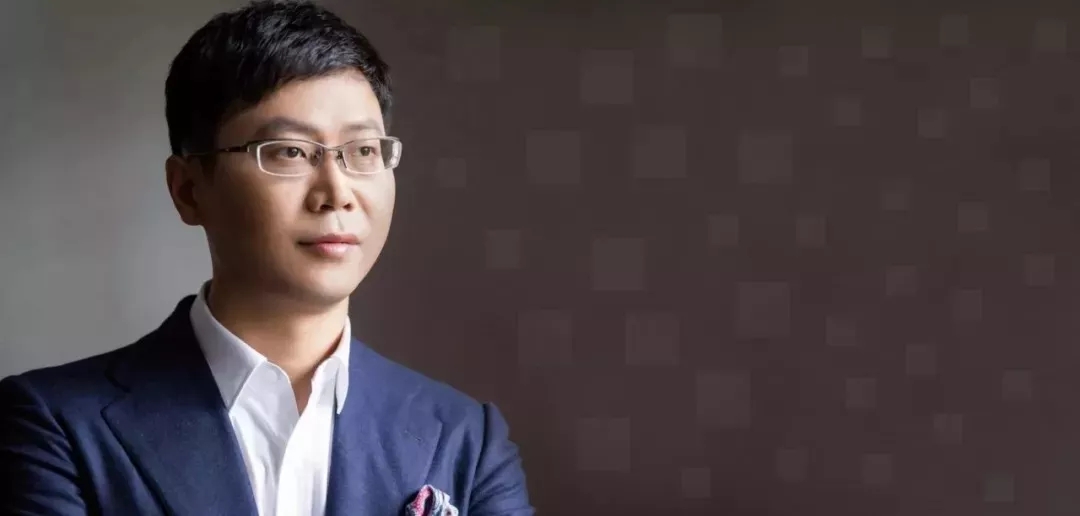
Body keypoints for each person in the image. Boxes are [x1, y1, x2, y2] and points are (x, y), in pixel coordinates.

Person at [0, 1, 533, 515]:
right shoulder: (55, 424)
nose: (337, 193)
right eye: (290, 152)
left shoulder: (465, 438)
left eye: (363, 151)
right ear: (188, 190)